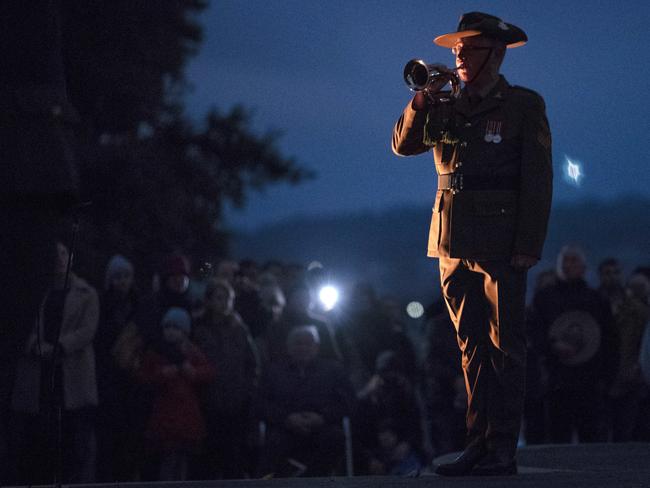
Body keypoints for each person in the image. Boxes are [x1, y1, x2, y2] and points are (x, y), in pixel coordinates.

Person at [392, 12, 553, 476]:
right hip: (450, 241)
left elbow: (537, 180)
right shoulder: (444, 103)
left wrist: (528, 243)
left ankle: (502, 446)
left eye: (468, 50)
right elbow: (402, 145)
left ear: (496, 55)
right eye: (456, 51)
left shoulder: (523, 105)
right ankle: (478, 443)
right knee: (471, 347)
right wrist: (422, 99)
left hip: (502, 241)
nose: (458, 58)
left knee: (506, 346)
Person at [11, 240, 99, 484]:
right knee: (39, 436)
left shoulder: (87, 293)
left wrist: (60, 346)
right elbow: (21, 323)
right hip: (39, 371)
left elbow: (87, 330)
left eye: (63, 252)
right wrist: (36, 345)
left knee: (74, 439)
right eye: (55, 253)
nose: (59, 258)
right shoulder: (37, 291)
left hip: (71, 373)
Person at [530, 245, 615, 444]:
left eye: (574, 261)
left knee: (592, 436)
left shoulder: (596, 300)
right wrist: (553, 346)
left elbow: (610, 339)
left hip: (591, 380)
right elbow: (535, 333)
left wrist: (608, 377)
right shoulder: (544, 299)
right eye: (565, 261)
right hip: (557, 380)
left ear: (583, 267)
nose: (569, 265)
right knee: (558, 437)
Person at [256, 326, 355, 477]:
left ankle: (311, 480)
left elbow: (348, 403)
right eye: (297, 343)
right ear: (288, 347)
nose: (303, 347)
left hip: (323, 427)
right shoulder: (273, 372)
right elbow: (261, 404)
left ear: (316, 347)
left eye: (308, 343)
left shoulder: (333, 371)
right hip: (284, 428)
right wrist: (286, 419)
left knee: (335, 439)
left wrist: (322, 418)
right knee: (273, 444)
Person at [192, 278, 260, 479]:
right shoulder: (199, 328)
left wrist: (246, 390)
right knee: (207, 457)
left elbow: (252, 363)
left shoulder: (239, 329)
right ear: (209, 300)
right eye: (219, 298)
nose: (224, 303)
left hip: (235, 402)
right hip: (206, 400)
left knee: (232, 456)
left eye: (228, 299)